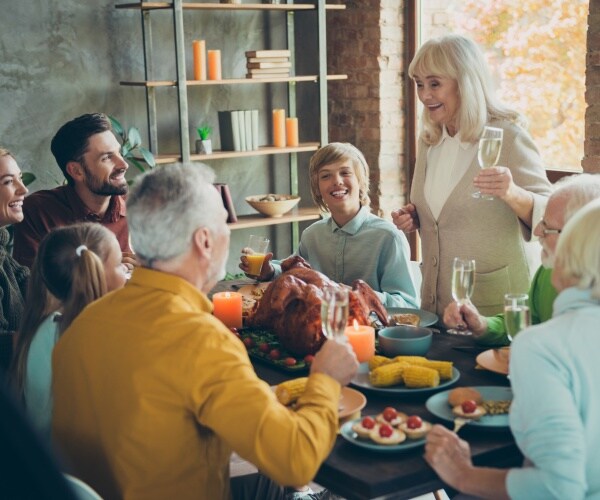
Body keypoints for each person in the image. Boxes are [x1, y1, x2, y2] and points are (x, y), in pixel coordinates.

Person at [52, 163, 359, 500]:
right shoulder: (203, 340)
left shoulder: (83, 323)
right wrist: (326, 379)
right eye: (224, 225)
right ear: (204, 241)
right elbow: (296, 461)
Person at [425, 198, 600, 499]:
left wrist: (464, 476)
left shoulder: (542, 346)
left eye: (551, 229)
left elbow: (558, 489)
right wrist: (481, 325)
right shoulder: (545, 299)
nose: (539, 232)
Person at [392, 34, 552, 316]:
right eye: (419, 84)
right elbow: (445, 213)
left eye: (435, 84)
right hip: (438, 307)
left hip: (495, 309)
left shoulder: (509, 137)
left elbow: (552, 217)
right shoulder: (429, 140)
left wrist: (512, 193)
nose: (425, 95)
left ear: (464, 83)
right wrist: (416, 217)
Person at [240, 142, 419, 309]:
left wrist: (357, 296)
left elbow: (408, 305)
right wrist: (269, 270)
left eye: (345, 173)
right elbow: (294, 274)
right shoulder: (312, 235)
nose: (337, 181)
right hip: (319, 330)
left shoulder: (388, 237)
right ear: (317, 188)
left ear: (361, 181)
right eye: (326, 176)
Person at [443, 173, 600, 345]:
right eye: (541, 221)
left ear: (581, 235)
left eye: (547, 227)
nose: (537, 231)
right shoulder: (548, 271)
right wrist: (482, 325)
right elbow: (526, 322)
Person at [10, 223, 128, 440]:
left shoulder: (48, 327)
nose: (127, 272)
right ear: (96, 275)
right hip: (73, 466)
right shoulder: (87, 338)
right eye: (121, 266)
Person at [12, 113, 133, 269]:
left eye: (119, 153)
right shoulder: (38, 212)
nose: (124, 164)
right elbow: (32, 287)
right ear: (76, 171)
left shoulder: (139, 209)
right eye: (107, 158)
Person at [0, 148, 29, 376]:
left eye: (20, 178)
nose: (23, 189)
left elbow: (36, 287)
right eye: (9, 181)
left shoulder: (3, 256)